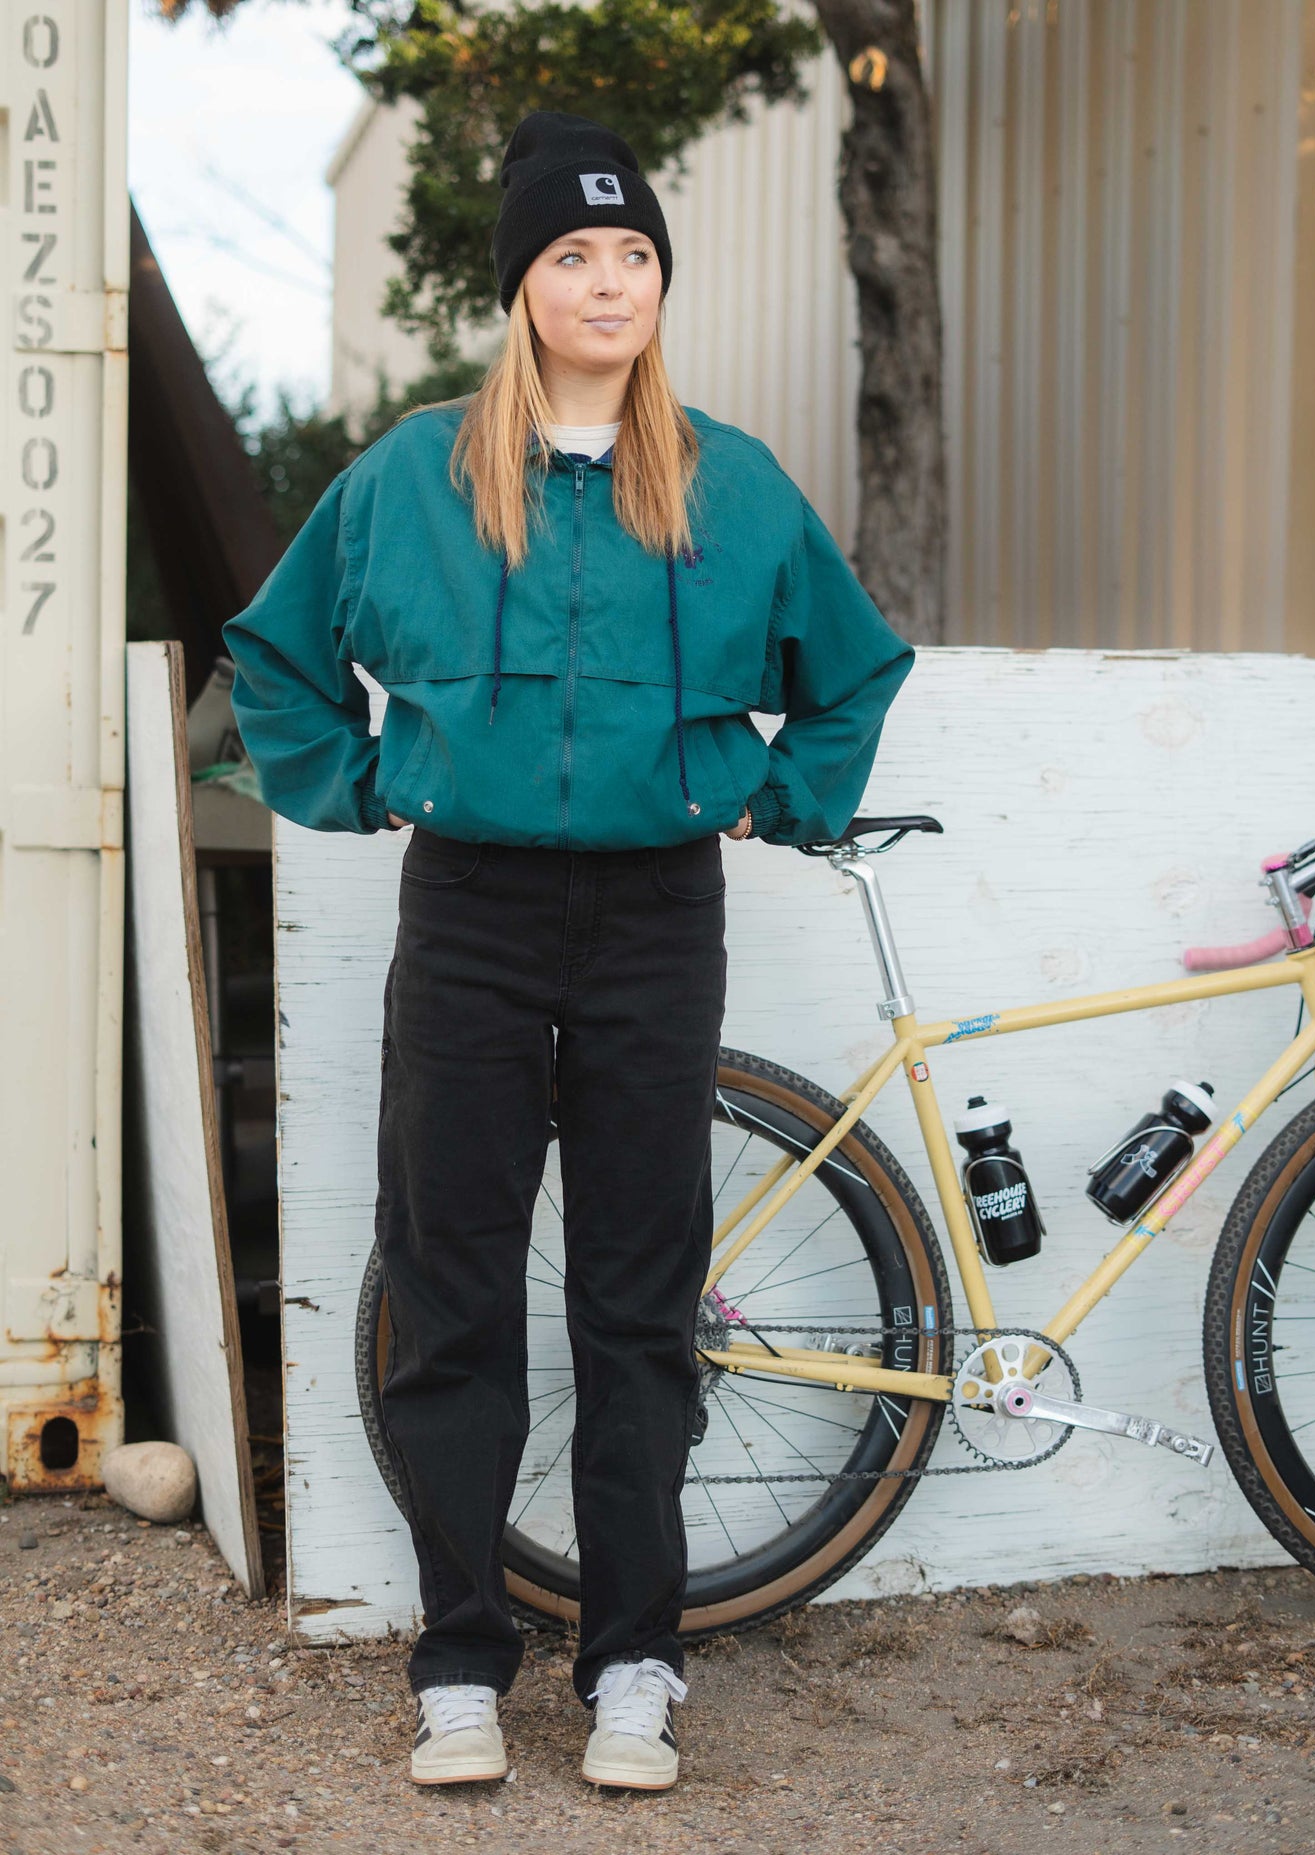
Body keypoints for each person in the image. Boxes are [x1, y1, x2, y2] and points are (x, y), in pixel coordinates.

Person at [222, 107, 915, 1794]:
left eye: (633, 257)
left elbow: (856, 668)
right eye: (571, 255)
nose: (607, 282)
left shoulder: (731, 484)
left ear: (659, 285)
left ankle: (632, 1664)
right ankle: (461, 1659)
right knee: (450, 1287)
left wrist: (779, 797)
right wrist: (367, 778)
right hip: (465, 915)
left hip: (656, 921)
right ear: (520, 287)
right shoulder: (416, 474)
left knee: (635, 1300)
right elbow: (276, 652)